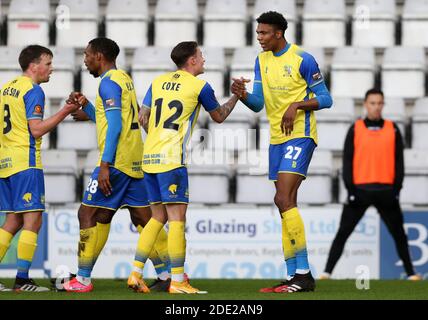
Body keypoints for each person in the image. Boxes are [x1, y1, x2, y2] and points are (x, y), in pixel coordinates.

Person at [231, 11, 333, 293]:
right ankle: (293, 276)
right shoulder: (260, 60)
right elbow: (258, 104)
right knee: (283, 203)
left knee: (282, 197)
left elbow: (326, 99)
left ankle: (304, 274)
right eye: (258, 32)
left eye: (264, 33)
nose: (259, 37)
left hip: (300, 135)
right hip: (277, 139)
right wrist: (241, 95)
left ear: (279, 33)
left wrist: (297, 105)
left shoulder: (303, 59)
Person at [128, 41, 240, 294]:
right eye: (200, 56)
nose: (203, 60)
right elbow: (219, 116)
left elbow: (142, 117)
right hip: (171, 160)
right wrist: (237, 96)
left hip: (150, 157)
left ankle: (135, 274)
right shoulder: (200, 85)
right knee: (177, 220)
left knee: (157, 218)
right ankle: (178, 281)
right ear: (191, 60)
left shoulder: (157, 83)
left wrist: (157, 136)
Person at [61, 38, 170, 293]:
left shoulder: (108, 84)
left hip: (117, 162)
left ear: (99, 56)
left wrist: (105, 165)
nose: (85, 59)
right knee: (143, 217)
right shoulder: (123, 78)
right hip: (135, 159)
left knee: (87, 214)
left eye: (87, 54)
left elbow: (116, 126)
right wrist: (88, 108)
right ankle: (168, 275)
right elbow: (116, 118)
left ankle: (83, 280)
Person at [0, 45, 80, 292]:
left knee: (12, 221)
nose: (51, 69)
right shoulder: (33, 91)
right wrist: (66, 110)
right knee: (33, 222)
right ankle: (22, 280)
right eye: (48, 63)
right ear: (33, 66)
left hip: (6, 162)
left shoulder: (6, 88)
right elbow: (36, 129)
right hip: (26, 162)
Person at [321, 88, 421, 281]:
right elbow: (347, 162)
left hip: (386, 192)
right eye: (372, 103)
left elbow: (399, 162)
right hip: (359, 192)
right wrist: (351, 190)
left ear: (383, 105)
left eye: (379, 103)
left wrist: (396, 190)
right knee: (342, 233)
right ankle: (326, 273)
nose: (376, 107)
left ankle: (411, 274)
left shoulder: (393, 129)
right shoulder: (355, 128)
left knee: (399, 235)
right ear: (366, 105)